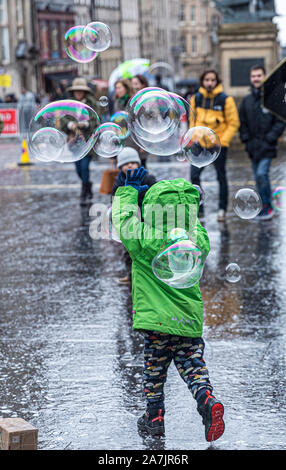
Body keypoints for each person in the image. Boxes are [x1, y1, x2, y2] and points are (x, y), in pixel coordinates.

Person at [112, 169, 225, 442]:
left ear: (150, 208)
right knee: (193, 365)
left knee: (154, 370)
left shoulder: (143, 239)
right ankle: (207, 399)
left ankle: (154, 417)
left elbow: (123, 220)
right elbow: (193, 221)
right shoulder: (195, 238)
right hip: (188, 320)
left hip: (156, 322)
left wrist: (128, 192)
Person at [189, 69, 240, 222]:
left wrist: (223, 141)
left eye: (212, 80)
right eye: (207, 80)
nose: (209, 83)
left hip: (218, 145)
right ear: (202, 82)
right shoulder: (196, 98)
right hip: (199, 145)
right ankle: (200, 210)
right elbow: (192, 119)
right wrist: (193, 136)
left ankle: (222, 209)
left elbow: (233, 123)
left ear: (217, 81)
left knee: (221, 177)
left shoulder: (225, 99)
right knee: (194, 176)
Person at [239, 64, 285, 220]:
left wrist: (271, 138)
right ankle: (263, 205)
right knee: (258, 177)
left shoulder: (272, 98)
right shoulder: (246, 100)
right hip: (253, 146)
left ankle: (267, 205)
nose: (256, 78)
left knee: (261, 174)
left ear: (264, 77)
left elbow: (280, 120)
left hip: (267, 146)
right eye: (253, 76)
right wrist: (245, 139)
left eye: (259, 75)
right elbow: (242, 122)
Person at [111, 147, 156, 285]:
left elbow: (156, 197)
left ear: (139, 163)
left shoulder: (148, 178)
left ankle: (151, 273)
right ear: (119, 167)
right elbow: (115, 201)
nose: (129, 165)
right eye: (125, 163)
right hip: (130, 222)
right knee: (129, 251)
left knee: (149, 248)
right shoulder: (119, 182)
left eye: (132, 162)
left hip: (147, 220)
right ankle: (131, 275)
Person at [66, 77, 100, 205]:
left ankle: (84, 191)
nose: (78, 93)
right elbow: (64, 119)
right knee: (78, 168)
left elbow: (96, 120)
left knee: (85, 167)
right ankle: (87, 184)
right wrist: (71, 125)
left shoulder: (92, 104)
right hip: (74, 142)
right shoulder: (69, 104)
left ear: (85, 92)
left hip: (87, 141)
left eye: (80, 91)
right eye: (76, 91)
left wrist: (85, 125)